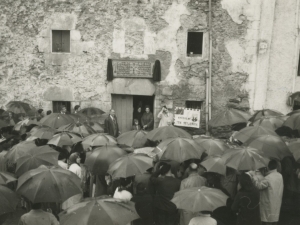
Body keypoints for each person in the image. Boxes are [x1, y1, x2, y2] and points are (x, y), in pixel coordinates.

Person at [252, 160, 283, 225]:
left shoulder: (268, 178)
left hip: (268, 203)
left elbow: (258, 186)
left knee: (267, 221)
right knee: (274, 219)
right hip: (276, 202)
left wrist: (255, 176)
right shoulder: (280, 176)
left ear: (268, 167)